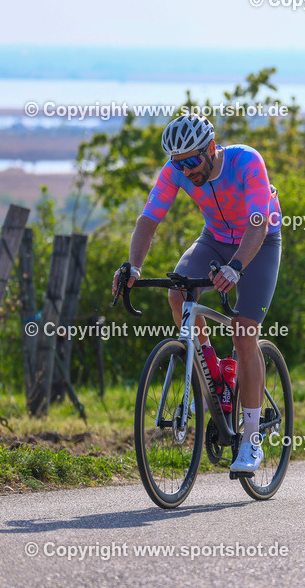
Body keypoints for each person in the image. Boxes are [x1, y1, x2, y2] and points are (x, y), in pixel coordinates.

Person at [113, 114, 282, 474]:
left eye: (192, 161)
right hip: (215, 238)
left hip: (260, 241)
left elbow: (256, 223)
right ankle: (215, 373)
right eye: (179, 163)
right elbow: (148, 219)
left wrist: (236, 268)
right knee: (178, 295)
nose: (186, 170)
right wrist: (134, 267)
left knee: (243, 332)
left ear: (209, 148)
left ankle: (251, 440)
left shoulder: (245, 161)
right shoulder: (176, 169)